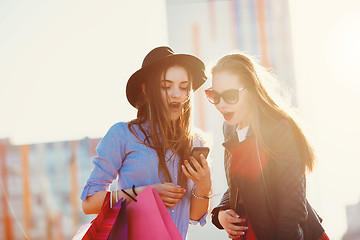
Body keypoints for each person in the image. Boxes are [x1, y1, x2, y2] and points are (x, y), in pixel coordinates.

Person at [81, 46, 212, 239]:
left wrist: (204, 185)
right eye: (166, 86)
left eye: (184, 87)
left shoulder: (195, 142)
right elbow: (90, 203)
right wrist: (146, 194)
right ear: (146, 90)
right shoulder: (122, 134)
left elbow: (193, 215)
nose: (177, 94)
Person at [206, 53, 328, 240]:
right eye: (214, 95)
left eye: (230, 95)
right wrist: (220, 213)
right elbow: (241, 182)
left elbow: (292, 208)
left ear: (251, 90)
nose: (220, 104)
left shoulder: (280, 129)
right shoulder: (230, 128)